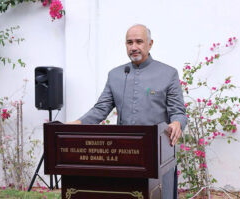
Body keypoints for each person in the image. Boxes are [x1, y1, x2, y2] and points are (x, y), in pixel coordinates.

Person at [68, 24, 187, 198]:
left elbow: (178, 112)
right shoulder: (116, 74)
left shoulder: (168, 73)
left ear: (150, 43)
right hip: (124, 154)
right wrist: (76, 124)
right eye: (129, 42)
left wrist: (177, 123)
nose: (133, 47)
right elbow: (101, 109)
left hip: (159, 155)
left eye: (139, 42)